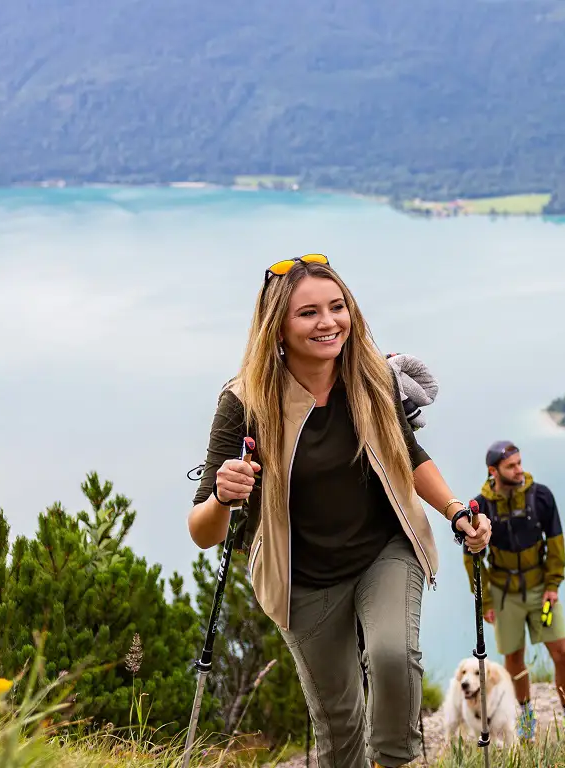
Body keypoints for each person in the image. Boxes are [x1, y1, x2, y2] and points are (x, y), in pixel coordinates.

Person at [187, 253, 492, 768]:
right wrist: (222, 495)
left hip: (383, 552)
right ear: (276, 327)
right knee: (339, 728)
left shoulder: (370, 377)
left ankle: (394, 760)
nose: (329, 322)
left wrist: (457, 512)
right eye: (308, 313)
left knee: (394, 657)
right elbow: (203, 532)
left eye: (337, 307)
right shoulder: (245, 402)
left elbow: (407, 455)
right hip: (301, 580)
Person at [465, 440, 565, 742]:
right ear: (494, 471)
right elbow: (472, 557)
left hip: (540, 592)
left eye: (519, 463)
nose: (519, 469)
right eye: (511, 466)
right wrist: (487, 601)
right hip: (505, 596)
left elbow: (556, 541)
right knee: (514, 658)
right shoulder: (482, 507)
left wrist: (553, 584)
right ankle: (527, 716)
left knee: (563, 652)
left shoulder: (541, 497)